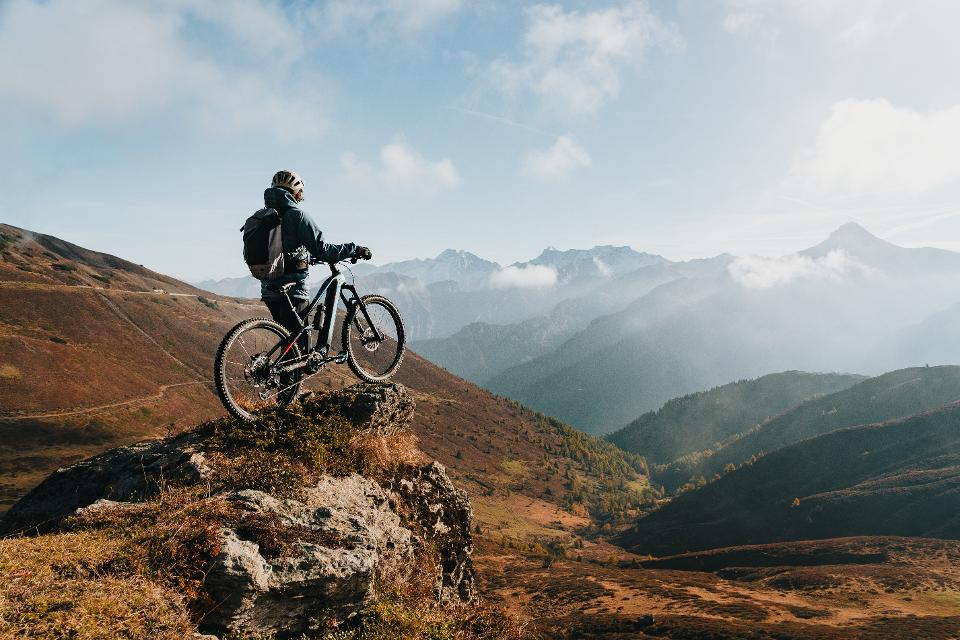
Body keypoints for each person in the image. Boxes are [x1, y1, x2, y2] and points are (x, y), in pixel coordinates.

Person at [260, 170, 371, 353]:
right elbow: (324, 250)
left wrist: (305, 258)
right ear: (294, 192)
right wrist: (354, 249)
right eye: (300, 193)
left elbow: (282, 251)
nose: (301, 197)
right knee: (298, 346)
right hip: (293, 288)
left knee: (289, 341)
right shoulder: (297, 216)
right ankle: (288, 379)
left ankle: (280, 378)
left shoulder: (264, 217)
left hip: (269, 288)